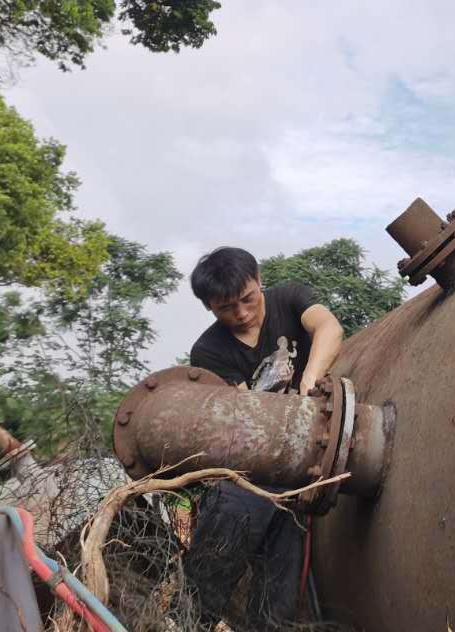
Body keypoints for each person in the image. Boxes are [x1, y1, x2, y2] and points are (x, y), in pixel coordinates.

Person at [181, 246, 344, 630]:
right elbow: (245, 417)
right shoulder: (208, 350)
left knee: (283, 576)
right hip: (254, 469)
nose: (241, 313)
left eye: (247, 299)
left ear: (259, 281)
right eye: (226, 308)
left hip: (306, 461)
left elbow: (329, 327)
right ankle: (191, 617)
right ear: (209, 307)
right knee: (241, 506)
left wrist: (309, 378)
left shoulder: (290, 298)